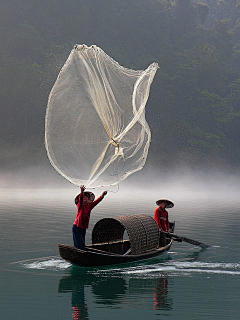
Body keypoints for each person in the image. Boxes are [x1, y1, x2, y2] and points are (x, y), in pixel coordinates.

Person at [72, 185, 107, 250]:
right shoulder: (80, 206)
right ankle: (79, 255)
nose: (87, 199)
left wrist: (102, 195)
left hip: (83, 228)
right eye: (85, 198)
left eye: (88, 198)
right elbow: (80, 198)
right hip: (77, 227)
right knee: (79, 246)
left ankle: (81, 255)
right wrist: (82, 191)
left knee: (82, 245)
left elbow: (97, 201)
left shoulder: (90, 206)